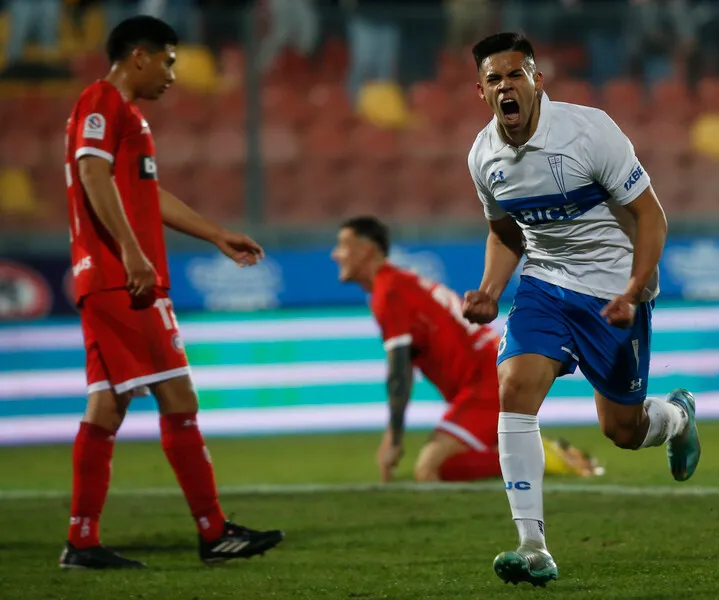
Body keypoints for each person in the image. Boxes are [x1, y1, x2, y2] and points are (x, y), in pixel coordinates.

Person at [460, 32, 700, 587]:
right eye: (494, 79)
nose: (506, 86)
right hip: (545, 286)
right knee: (513, 390)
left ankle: (678, 416)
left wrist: (636, 286)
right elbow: (505, 235)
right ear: (481, 91)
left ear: (537, 80)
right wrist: (492, 291)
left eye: (515, 74)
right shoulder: (483, 157)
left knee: (622, 429)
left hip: (616, 289)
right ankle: (532, 545)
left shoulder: (589, 131)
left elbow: (650, 217)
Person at [61, 16, 284, 569]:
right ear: (139, 55)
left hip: (111, 276)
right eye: (168, 61)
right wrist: (133, 254)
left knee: (106, 408)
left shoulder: (127, 115)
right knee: (179, 401)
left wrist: (215, 234)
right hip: (124, 280)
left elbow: (144, 193)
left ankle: (82, 541)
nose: (173, 75)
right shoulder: (102, 100)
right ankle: (213, 532)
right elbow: (93, 175)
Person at [331, 216, 602, 483]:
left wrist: (394, 437)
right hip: (489, 375)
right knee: (447, 464)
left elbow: (399, 372)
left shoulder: (388, 292)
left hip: (484, 383)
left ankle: (542, 455)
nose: (335, 255)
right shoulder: (398, 283)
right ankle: (528, 452)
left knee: (429, 470)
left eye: (342, 245)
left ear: (366, 249)